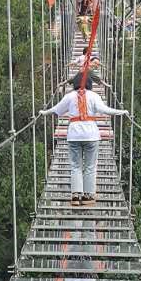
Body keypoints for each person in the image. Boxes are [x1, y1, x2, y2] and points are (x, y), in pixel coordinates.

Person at [41, 72, 126, 206]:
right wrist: (121, 112)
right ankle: (88, 196)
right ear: (89, 83)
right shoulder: (94, 96)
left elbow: (56, 109)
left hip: (74, 135)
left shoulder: (69, 96)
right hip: (91, 134)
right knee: (90, 166)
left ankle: (75, 196)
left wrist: (44, 112)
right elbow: (105, 110)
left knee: (75, 166)